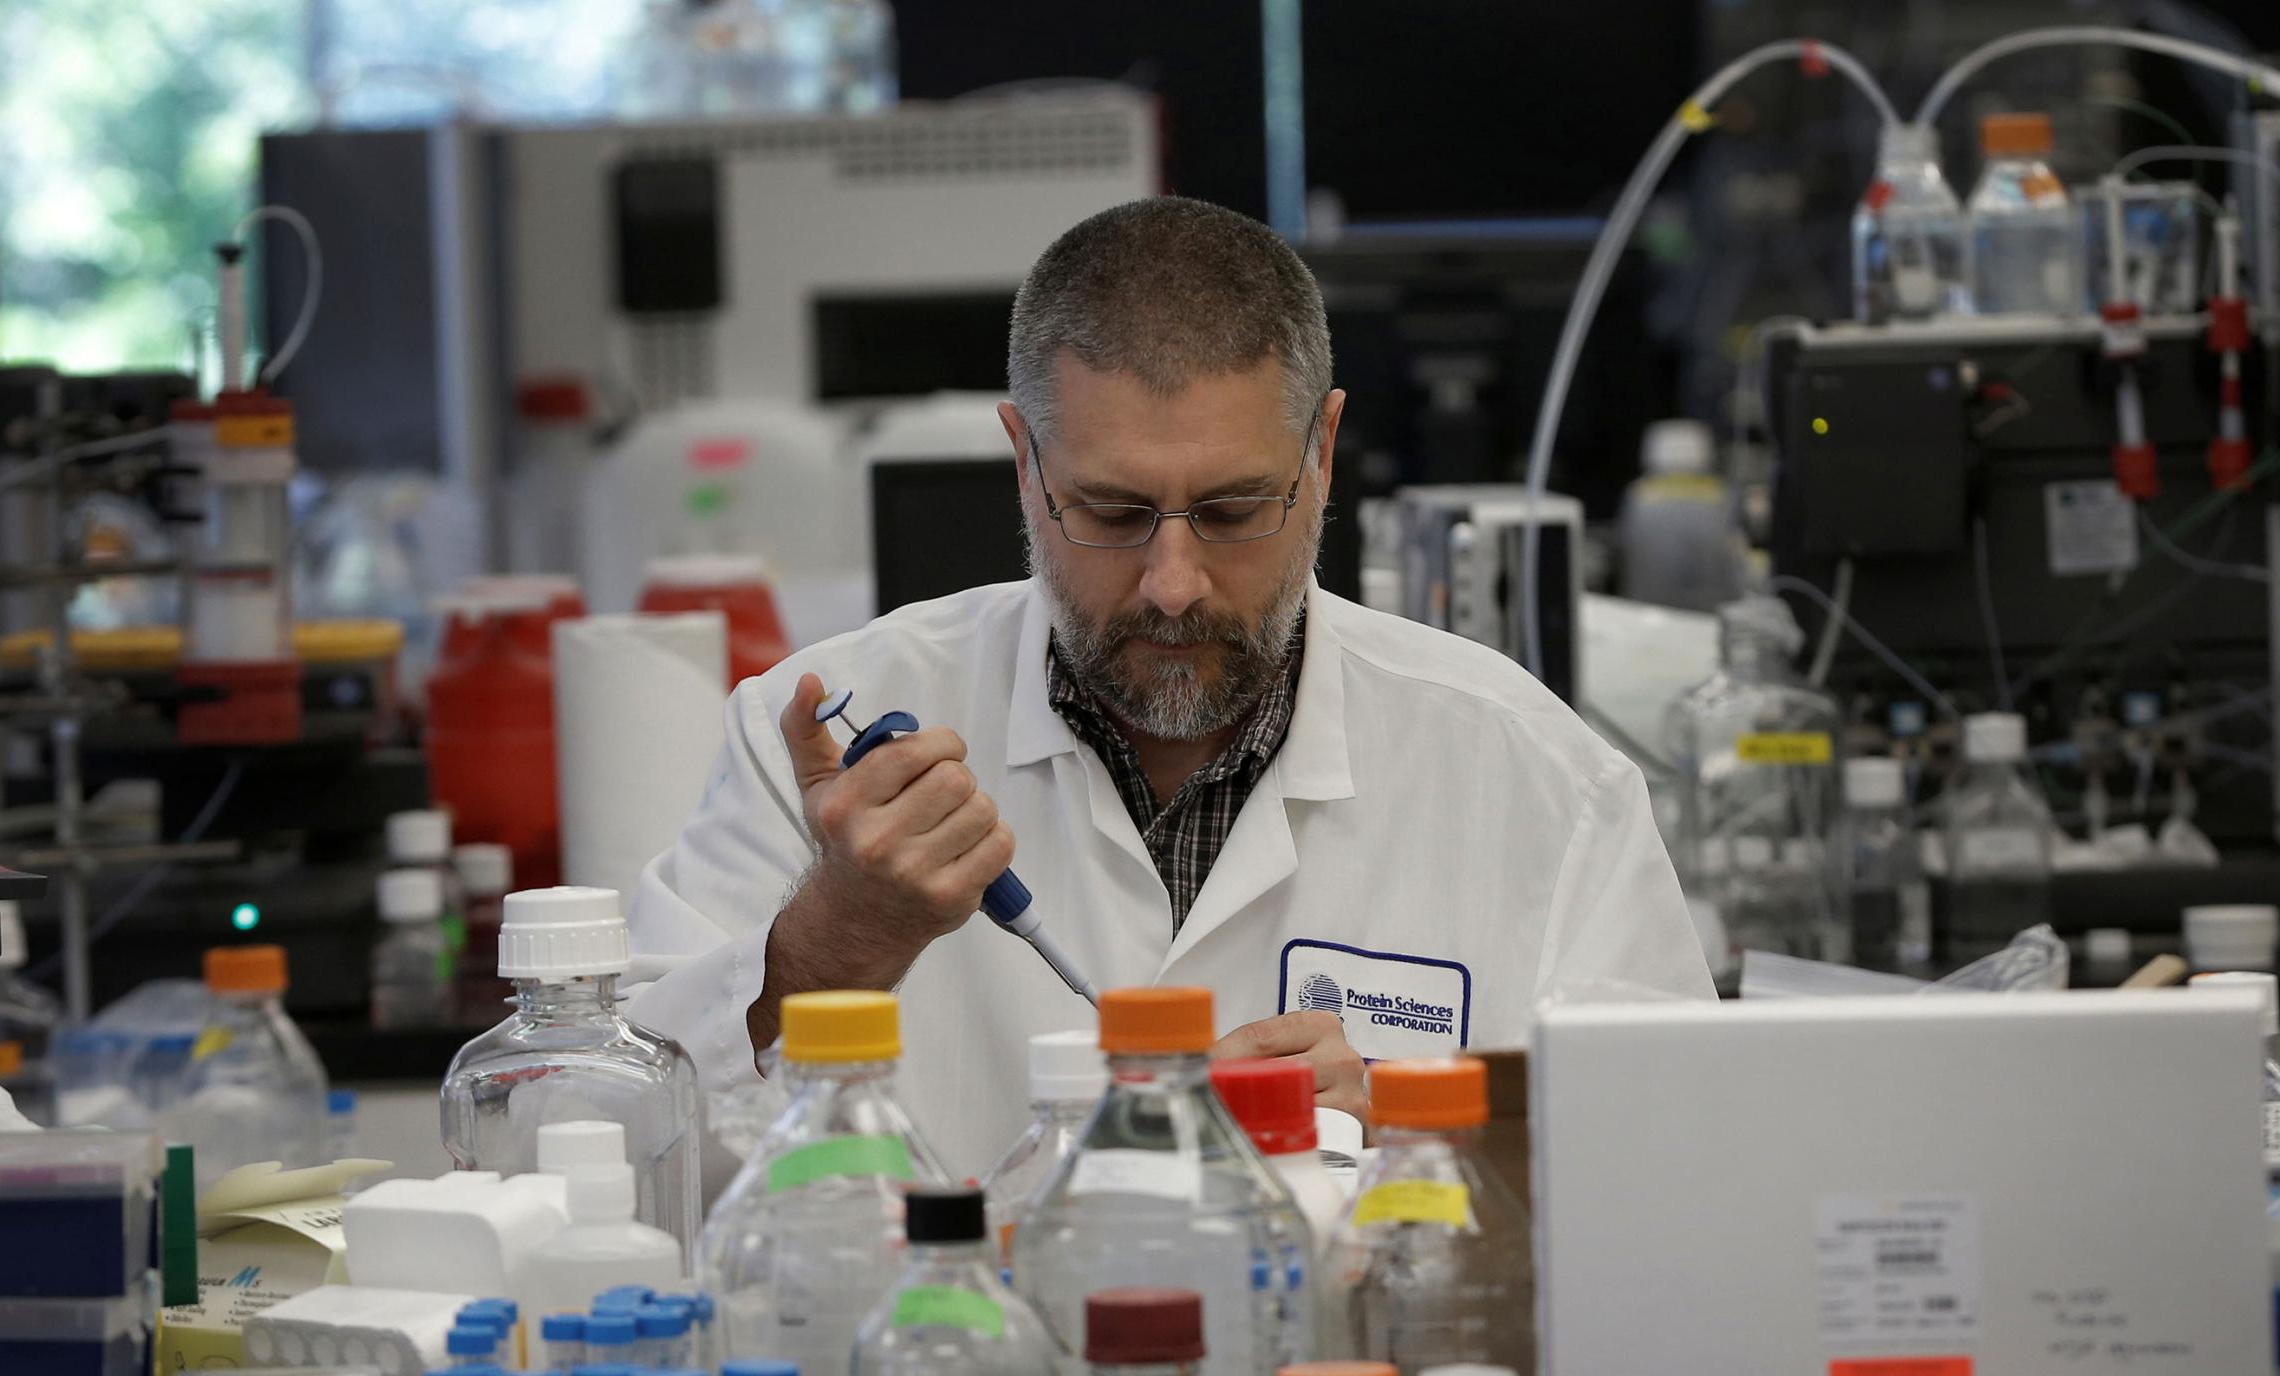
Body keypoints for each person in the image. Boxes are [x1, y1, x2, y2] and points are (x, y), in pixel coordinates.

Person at [627, 198, 1712, 1178]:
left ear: (1321, 455)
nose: (1174, 584)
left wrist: (1426, 1140)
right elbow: (616, 1152)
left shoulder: (1535, 780)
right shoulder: (820, 741)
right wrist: (833, 941)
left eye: (1236, 510)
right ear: (1023, 462)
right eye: (1109, 512)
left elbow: (1688, 1173)